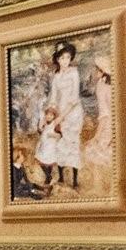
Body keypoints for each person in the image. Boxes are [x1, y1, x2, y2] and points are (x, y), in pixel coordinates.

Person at [36, 41, 83, 192]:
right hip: (59, 112)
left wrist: (61, 117)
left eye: (68, 57)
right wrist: (47, 116)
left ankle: (75, 179)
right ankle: (62, 176)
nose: (65, 61)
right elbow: (53, 98)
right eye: (62, 58)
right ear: (57, 59)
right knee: (60, 144)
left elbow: (74, 98)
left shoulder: (74, 73)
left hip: (73, 112)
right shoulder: (56, 77)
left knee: (72, 143)